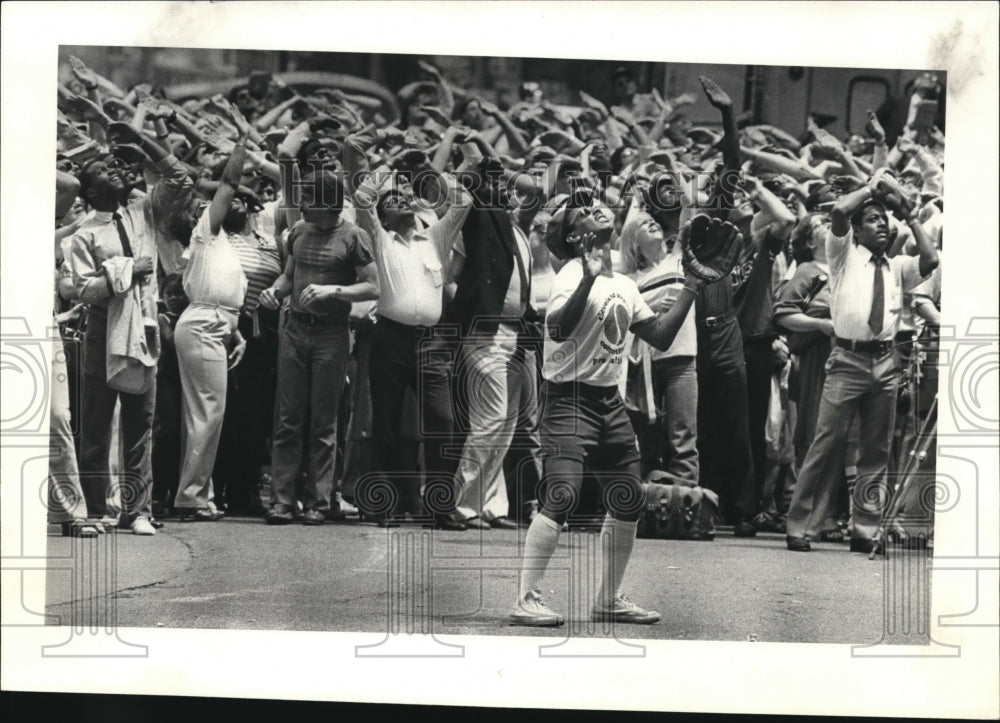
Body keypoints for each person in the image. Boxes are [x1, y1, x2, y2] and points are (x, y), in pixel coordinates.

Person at [510, 199, 742, 627]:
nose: (595, 210)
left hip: (607, 403)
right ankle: (526, 597)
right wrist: (587, 280)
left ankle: (608, 598)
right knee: (561, 494)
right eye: (583, 212)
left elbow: (659, 335)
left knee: (629, 499)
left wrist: (691, 285)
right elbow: (558, 327)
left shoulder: (624, 282)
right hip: (569, 399)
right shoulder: (570, 274)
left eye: (598, 207)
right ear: (572, 234)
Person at [784, 171, 939, 553]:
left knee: (876, 450)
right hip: (848, 358)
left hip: (886, 360)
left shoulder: (899, 265)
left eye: (885, 219)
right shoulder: (842, 255)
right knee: (826, 443)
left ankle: (865, 527)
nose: (882, 224)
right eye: (872, 219)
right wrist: (876, 187)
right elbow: (839, 208)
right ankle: (800, 525)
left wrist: (911, 215)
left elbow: (931, 258)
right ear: (855, 230)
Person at [70, 125, 191, 536]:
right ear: (89, 192)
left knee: (142, 418)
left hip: (144, 322)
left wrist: (141, 143)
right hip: (104, 327)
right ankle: (93, 508)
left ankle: (136, 509)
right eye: (104, 170)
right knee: (98, 418)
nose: (116, 170)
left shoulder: (142, 211)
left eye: (117, 166)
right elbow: (83, 288)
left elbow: (180, 178)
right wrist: (124, 275)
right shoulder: (85, 232)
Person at [349, 141, 472, 530]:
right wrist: (390, 166)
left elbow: (463, 201)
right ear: (384, 218)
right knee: (384, 422)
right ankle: (384, 504)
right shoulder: (381, 239)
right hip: (389, 337)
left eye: (406, 197)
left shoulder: (433, 238)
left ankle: (439, 506)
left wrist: (427, 173)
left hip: (431, 343)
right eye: (394, 201)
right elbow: (363, 198)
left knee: (442, 422)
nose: (402, 201)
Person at [258, 169, 380, 525]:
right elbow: (289, 275)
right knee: (287, 419)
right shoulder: (298, 231)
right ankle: (283, 499)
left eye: (308, 200)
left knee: (324, 422)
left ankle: (320, 500)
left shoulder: (353, 237)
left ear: (327, 203)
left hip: (332, 332)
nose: (301, 206)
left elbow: (373, 287)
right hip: (295, 329)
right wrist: (276, 291)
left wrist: (334, 292)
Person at [447, 144, 539, 531]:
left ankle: (488, 504)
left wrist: (501, 166)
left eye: (504, 182)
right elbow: (452, 278)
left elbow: (537, 189)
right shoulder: (474, 218)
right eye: (495, 182)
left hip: (517, 333)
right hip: (485, 331)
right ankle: (460, 503)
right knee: (491, 419)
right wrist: (469, 312)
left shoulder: (515, 223)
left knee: (505, 425)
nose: (504, 188)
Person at [171, 124, 252, 521]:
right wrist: (243, 140)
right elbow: (231, 181)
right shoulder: (205, 233)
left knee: (206, 412)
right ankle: (191, 497)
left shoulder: (224, 248)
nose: (231, 203)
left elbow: (226, 296)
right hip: (202, 325)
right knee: (208, 411)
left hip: (215, 326)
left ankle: (201, 492)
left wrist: (236, 332)